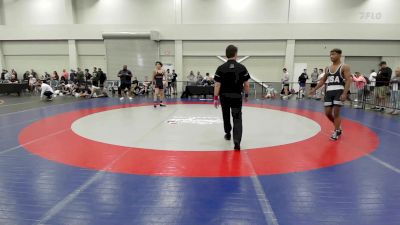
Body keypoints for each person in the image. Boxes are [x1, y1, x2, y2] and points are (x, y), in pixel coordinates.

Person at [214, 45, 250, 151]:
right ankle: (237, 141)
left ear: (226, 54)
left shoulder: (220, 68)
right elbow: (247, 84)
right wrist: (246, 95)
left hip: (224, 97)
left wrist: (215, 98)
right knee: (237, 118)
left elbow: (217, 85)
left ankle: (228, 133)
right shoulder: (242, 68)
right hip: (237, 96)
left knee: (226, 115)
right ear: (235, 54)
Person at [309, 48, 352, 141]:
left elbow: (349, 80)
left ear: (340, 55)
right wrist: (314, 89)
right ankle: (338, 127)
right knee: (328, 113)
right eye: (330, 54)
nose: (331, 56)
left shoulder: (344, 66)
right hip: (329, 91)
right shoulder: (327, 67)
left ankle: (336, 131)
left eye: (334, 54)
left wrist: (345, 93)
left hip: (339, 90)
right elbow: (323, 80)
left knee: (336, 113)